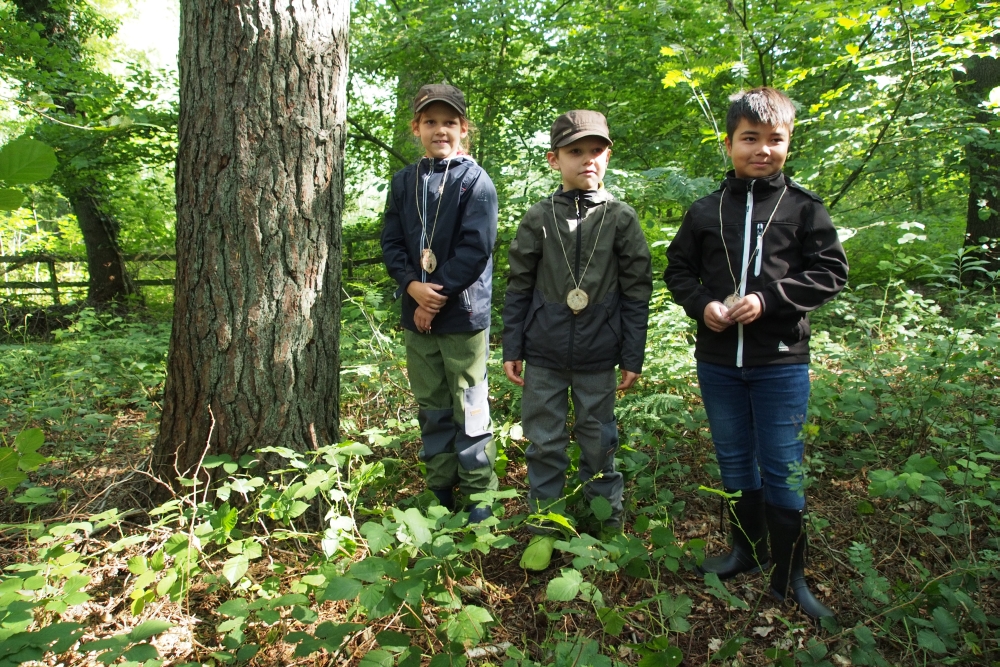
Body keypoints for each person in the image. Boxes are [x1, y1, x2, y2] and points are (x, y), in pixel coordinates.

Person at [664, 87, 848, 619]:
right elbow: (678, 271)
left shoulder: (804, 207)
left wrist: (767, 300)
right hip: (718, 363)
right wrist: (703, 306)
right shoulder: (704, 210)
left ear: (788, 143)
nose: (762, 149)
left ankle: (791, 579)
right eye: (750, 139)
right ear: (729, 144)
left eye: (775, 139)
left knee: (783, 467)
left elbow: (831, 273)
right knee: (734, 458)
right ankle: (745, 552)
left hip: (780, 364)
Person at [502, 110, 652, 556]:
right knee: (543, 441)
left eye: (596, 151)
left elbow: (637, 291)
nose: (587, 160)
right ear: (554, 159)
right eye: (575, 152)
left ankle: (605, 526)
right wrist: (513, 345)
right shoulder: (538, 218)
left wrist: (632, 355)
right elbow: (519, 285)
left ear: (608, 156)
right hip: (544, 354)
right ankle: (546, 527)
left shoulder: (621, 219)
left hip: (599, 354)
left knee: (598, 438)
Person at [380, 84, 499, 523]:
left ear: (464, 128)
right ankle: (441, 489)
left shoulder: (475, 181)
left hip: (462, 314)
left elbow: (476, 248)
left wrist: (434, 298)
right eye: (430, 122)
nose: (440, 130)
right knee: (431, 404)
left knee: (469, 402)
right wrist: (412, 286)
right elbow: (391, 242)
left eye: (449, 122)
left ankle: (480, 495)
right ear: (416, 128)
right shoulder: (404, 182)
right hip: (416, 315)